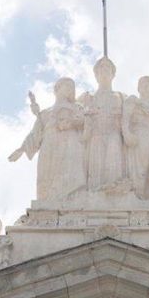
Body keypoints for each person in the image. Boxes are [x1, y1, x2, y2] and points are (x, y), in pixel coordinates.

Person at [9, 78, 87, 202]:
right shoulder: (45, 113)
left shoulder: (77, 108)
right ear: (57, 88)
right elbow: (35, 133)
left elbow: (86, 124)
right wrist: (22, 149)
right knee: (47, 176)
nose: (69, 89)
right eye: (66, 86)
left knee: (71, 175)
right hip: (49, 145)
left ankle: (73, 200)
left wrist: (73, 122)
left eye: (71, 87)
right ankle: (47, 202)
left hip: (71, 144)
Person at [80, 57, 128, 193]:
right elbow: (72, 110)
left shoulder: (121, 96)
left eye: (108, 67)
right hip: (95, 134)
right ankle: (94, 193)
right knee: (96, 168)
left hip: (115, 133)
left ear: (113, 74)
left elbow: (135, 114)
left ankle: (114, 192)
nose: (104, 70)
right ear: (96, 75)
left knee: (114, 166)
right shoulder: (87, 97)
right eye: (101, 67)